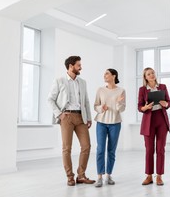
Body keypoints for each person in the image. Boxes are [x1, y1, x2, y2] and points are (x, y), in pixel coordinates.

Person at [47, 56, 95, 186]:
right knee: (66, 148)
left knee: (86, 146)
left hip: (81, 117)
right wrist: (59, 114)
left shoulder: (82, 82)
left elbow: (86, 101)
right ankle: (70, 176)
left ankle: (81, 175)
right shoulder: (59, 81)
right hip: (66, 117)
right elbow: (50, 99)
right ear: (70, 66)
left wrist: (89, 117)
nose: (81, 67)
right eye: (78, 65)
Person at [138, 67, 170, 186]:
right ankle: (149, 176)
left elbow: (169, 102)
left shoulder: (163, 87)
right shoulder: (142, 90)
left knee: (160, 149)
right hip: (149, 121)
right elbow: (139, 106)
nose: (151, 75)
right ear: (145, 77)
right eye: (148, 74)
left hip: (161, 120)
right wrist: (145, 108)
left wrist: (165, 104)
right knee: (149, 150)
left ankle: (159, 176)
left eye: (152, 73)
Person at [93, 68, 126, 187]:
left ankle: (108, 175)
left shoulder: (121, 90)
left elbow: (122, 109)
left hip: (115, 123)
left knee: (111, 150)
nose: (104, 75)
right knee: (100, 149)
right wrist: (101, 108)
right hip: (101, 122)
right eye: (104, 74)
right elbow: (95, 106)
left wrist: (118, 102)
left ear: (114, 76)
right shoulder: (100, 90)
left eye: (107, 73)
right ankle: (99, 177)